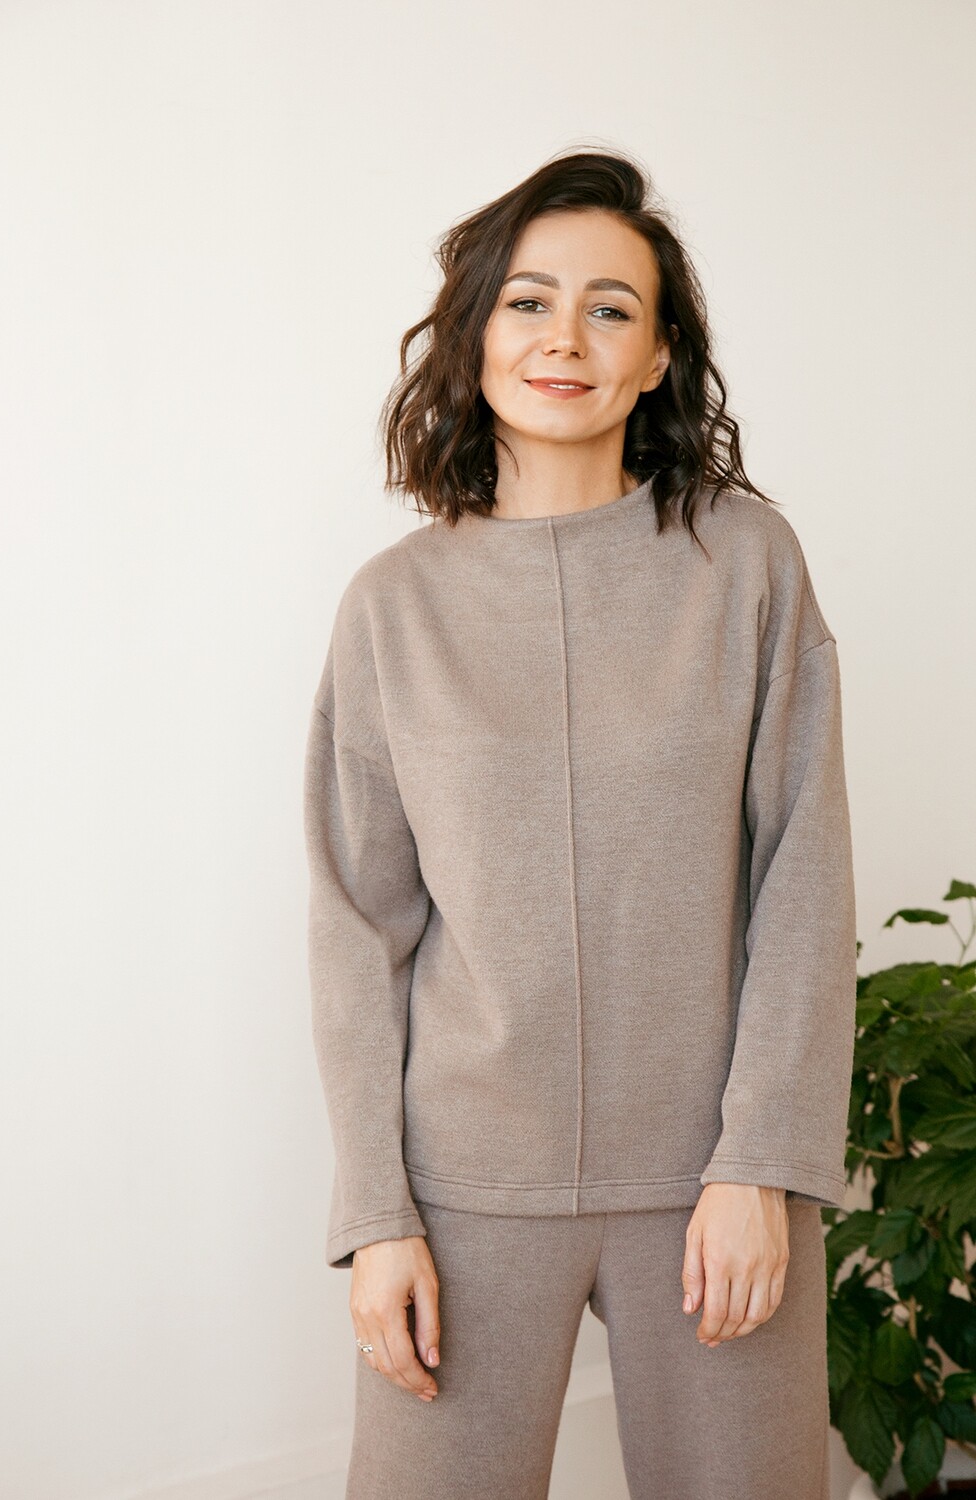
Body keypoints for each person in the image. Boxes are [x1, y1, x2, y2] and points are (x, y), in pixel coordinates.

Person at [302, 147, 857, 1500]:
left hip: (714, 1178)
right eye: (528, 301)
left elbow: (802, 878)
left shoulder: (747, 566)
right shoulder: (392, 605)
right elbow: (358, 927)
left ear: (658, 357)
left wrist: (763, 1164)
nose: (565, 338)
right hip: (463, 1189)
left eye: (611, 308)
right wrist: (376, 1215)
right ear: (477, 333)